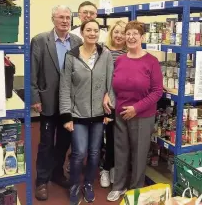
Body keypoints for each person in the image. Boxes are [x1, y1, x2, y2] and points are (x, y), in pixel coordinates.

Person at [105, 20, 163, 202]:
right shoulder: (120, 59)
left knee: (139, 153)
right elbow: (114, 84)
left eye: (134, 34)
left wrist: (136, 108)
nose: (130, 37)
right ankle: (119, 186)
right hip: (120, 113)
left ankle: (136, 188)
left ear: (142, 37)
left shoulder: (151, 62)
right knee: (120, 150)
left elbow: (157, 92)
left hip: (142, 115)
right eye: (127, 33)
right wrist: (108, 95)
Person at [59, 19, 114, 205]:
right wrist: (66, 115)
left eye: (96, 31)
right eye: (88, 30)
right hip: (78, 114)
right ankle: (74, 186)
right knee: (79, 153)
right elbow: (65, 87)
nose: (92, 33)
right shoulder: (71, 56)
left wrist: (109, 111)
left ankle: (88, 184)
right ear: (82, 33)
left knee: (94, 153)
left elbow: (110, 84)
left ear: (99, 33)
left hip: (99, 114)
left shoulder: (105, 54)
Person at [31, 5, 83, 201]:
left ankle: (57, 173)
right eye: (60, 17)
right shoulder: (40, 40)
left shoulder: (77, 41)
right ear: (53, 19)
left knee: (64, 142)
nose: (65, 21)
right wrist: (35, 98)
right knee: (46, 143)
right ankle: (42, 181)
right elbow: (32, 71)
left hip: (69, 103)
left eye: (68, 17)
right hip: (48, 101)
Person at [99, 20, 127, 188]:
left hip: (124, 102)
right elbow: (99, 76)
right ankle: (106, 169)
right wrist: (105, 95)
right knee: (109, 137)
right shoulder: (103, 50)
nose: (119, 35)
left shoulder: (128, 53)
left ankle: (116, 167)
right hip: (108, 101)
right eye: (116, 32)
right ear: (111, 33)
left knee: (121, 138)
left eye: (123, 32)